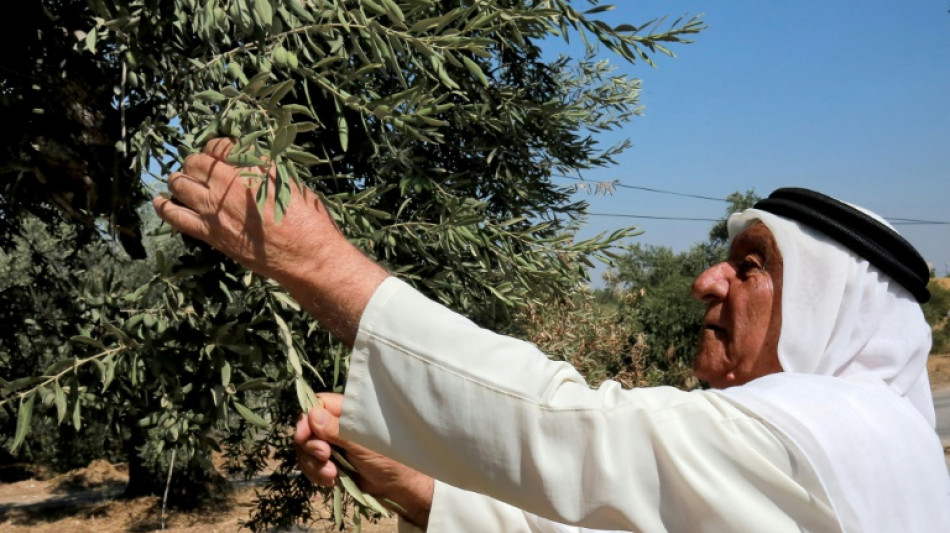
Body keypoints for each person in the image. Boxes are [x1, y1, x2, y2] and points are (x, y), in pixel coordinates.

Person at [153, 138, 950, 532]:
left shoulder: (840, 433)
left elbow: (568, 428)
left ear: (830, 307)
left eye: (751, 265)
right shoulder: (868, 448)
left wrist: (318, 263)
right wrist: (416, 485)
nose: (709, 279)